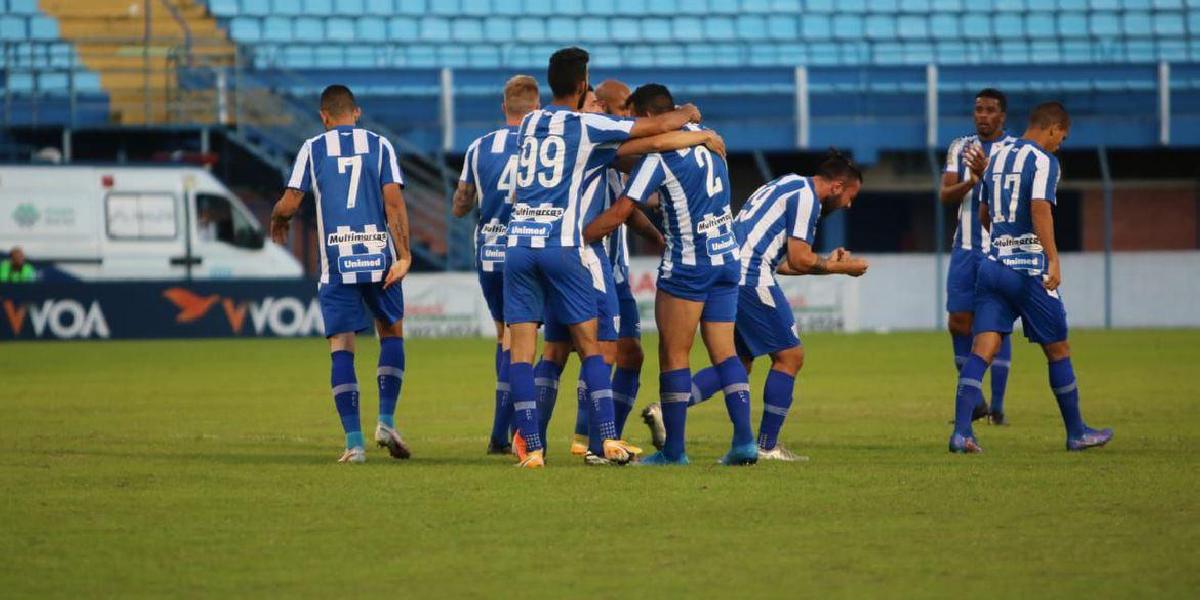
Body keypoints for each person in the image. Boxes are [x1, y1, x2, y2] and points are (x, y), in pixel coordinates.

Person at [504, 47, 705, 468]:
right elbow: (661, 125)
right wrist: (690, 114)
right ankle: (608, 440)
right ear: (582, 86)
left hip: (519, 243)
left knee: (523, 350)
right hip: (564, 246)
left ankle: (533, 449)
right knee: (592, 347)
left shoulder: (529, 124)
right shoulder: (588, 125)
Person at [585, 83, 754, 467]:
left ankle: (674, 451)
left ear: (648, 118)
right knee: (725, 351)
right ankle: (744, 441)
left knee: (674, 354)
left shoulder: (657, 157)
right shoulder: (708, 140)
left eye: (634, 119)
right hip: (726, 256)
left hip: (689, 263)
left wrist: (580, 237)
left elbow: (623, 210)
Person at [672, 151, 868, 462]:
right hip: (750, 278)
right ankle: (766, 446)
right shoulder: (808, 199)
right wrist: (844, 268)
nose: (848, 205)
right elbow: (801, 258)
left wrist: (828, 262)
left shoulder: (787, 184)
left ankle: (665, 410)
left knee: (738, 363)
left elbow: (786, 262)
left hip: (730, 271)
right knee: (790, 355)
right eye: (850, 196)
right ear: (837, 186)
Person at [949, 101, 1113, 453]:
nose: (1060, 145)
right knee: (1058, 349)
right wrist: (1052, 260)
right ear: (1052, 128)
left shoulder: (999, 156)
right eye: (1062, 138)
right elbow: (1040, 209)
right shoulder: (1044, 161)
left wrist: (1004, 240)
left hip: (991, 267)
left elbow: (983, 213)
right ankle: (1077, 432)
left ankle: (962, 433)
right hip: (1027, 272)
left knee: (982, 350)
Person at [270, 84, 413, 464]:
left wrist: (277, 217)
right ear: (357, 112)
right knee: (391, 331)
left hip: (337, 263)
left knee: (342, 346)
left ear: (324, 117)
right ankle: (385, 420)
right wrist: (404, 255)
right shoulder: (380, 146)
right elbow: (394, 202)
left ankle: (355, 443)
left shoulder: (312, 148)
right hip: (378, 257)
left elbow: (291, 201)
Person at [452, 74, 541, 455]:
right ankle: (508, 432)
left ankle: (498, 434)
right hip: (527, 248)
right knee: (521, 339)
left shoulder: (478, 147)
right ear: (536, 108)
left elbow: (460, 205)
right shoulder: (542, 145)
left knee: (504, 334)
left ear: (504, 107)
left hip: (488, 250)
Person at [942, 88, 1019, 425]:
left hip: (1000, 249)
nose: (982, 115)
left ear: (1002, 116)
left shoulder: (1015, 151)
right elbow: (945, 195)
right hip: (965, 248)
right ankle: (977, 403)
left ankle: (998, 407)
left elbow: (1018, 195)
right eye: (978, 109)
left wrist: (986, 176)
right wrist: (970, 182)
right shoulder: (960, 147)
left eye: (990, 110)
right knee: (958, 322)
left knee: (996, 325)